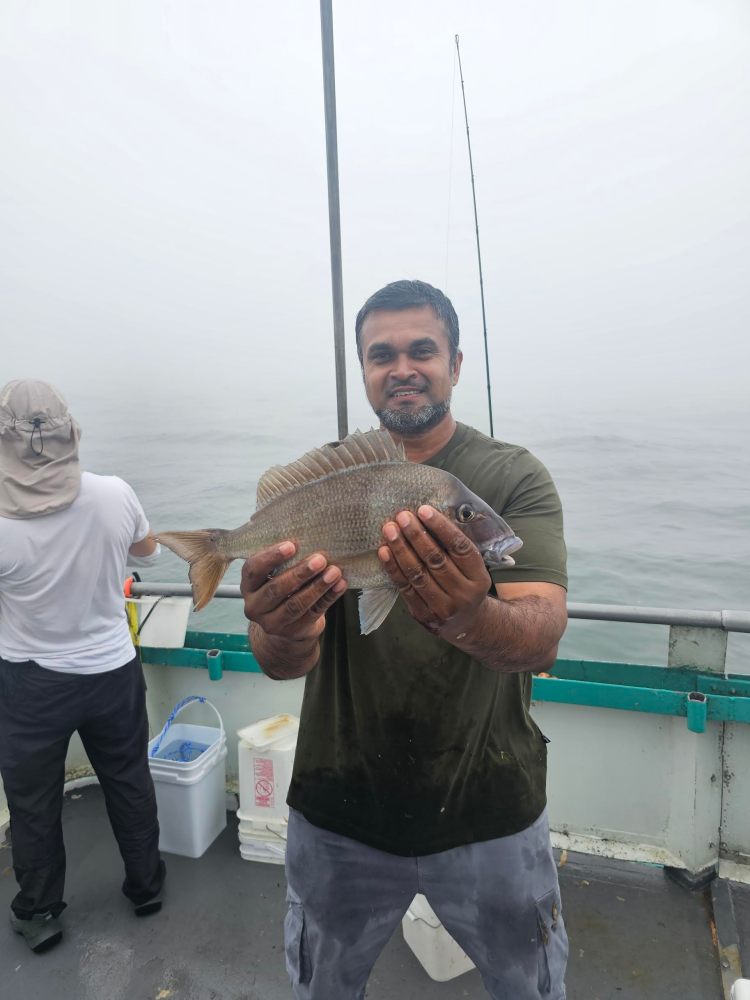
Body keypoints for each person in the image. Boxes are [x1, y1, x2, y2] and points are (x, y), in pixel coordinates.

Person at [241, 280, 569, 999]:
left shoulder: (512, 476)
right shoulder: (323, 480)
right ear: (363, 371)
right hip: (338, 806)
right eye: (380, 354)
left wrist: (468, 616)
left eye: (423, 349)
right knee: (323, 985)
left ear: (456, 362)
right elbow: (279, 661)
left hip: (490, 805)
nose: (403, 367)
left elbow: (540, 636)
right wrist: (280, 624)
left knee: (530, 985)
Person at [0, 379, 166, 954]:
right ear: (71, 431)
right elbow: (149, 552)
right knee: (130, 782)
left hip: (31, 684)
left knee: (34, 805)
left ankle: (40, 913)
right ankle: (147, 887)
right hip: (114, 672)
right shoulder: (114, 494)